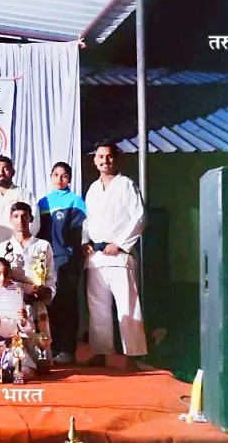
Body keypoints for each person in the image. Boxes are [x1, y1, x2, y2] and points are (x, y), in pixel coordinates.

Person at [82, 141, 147, 368]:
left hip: (119, 256)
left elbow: (139, 217)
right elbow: (87, 221)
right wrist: (84, 242)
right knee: (98, 308)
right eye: (100, 157)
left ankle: (133, 355)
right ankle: (101, 352)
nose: (104, 161)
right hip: (96, 257)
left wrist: (119, 244)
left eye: (108, 156)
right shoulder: (92, 189)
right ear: (95, 160)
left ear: (115, 159)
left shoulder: (126, 185)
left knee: (127, 306)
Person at [37, 161, 88, 365]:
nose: (60, 179)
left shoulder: (76, 202)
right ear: (51, 177)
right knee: (49, 305)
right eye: (56, 174)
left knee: (67, 304)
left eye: (64, 175)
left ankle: (67, 349)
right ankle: (51, 347)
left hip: (67, 261)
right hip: (45, 263)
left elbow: (81, 232)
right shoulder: (43, 203)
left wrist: (72, 255)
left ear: (70, 179)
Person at [0, 202, 55, 365]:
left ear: (31, 218)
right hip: (11, 306)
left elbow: (50, 278)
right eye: (16, 216)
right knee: (14, 358)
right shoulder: (3, 248)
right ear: (10, 219)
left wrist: (46, 292)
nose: (20, 220)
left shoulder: (42, 246)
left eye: (24, 216)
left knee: (43, 363)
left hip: (36, 304)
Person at [0, 156, 41, 247]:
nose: (1, 172)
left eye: (5, 169)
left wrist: (23, 241)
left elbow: (34, 221)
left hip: (19, 247)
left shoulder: (24, 194)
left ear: (13, 172)